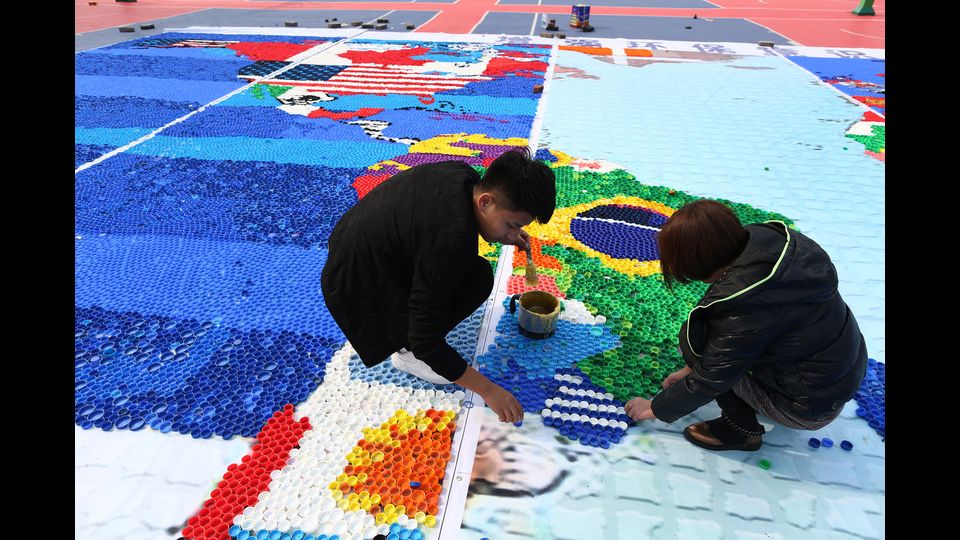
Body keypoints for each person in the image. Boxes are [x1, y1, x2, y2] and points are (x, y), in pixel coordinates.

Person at [321, 148, 556, 424]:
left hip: (353, 247)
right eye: (511, 225)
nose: (514, 234)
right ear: (486, 202)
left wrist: (505, 232)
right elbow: (426, 340)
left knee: (476, 273)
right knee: (475, 281)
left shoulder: (464, 178)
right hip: (355, 288)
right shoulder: (450, 243)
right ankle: (405, 354)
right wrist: (489, 390)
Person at [623, 199, 868, 451]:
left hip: (807, 407)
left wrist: (654, 407)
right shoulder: (773, 249)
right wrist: (688, 371)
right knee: (711, 344)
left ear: (697, 263)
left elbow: (711, 379)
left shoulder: (744, 308)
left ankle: (739, 432)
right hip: (839, 377)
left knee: (697, 339)